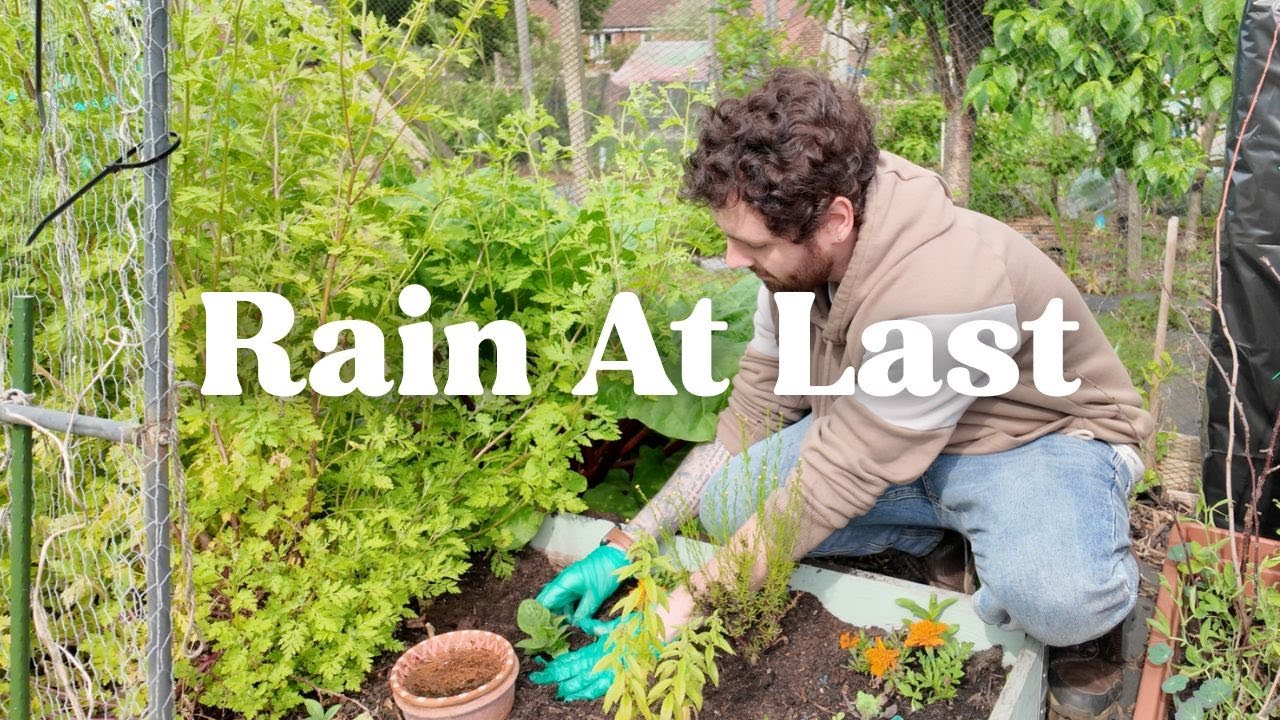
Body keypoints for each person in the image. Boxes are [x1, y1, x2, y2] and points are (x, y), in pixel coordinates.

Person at [530, 67, 1153, 720]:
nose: (733, 259)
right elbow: (754, 414)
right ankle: (951, 538)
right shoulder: (793, 273)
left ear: (835, 219)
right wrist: (627, 543)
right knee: (729, 502)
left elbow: (836, 478)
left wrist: (669, 619)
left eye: (752, 243)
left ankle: (1082, 603)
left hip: (1032, 442)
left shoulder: (943, 287)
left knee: (1057, 597)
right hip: (889, 438)